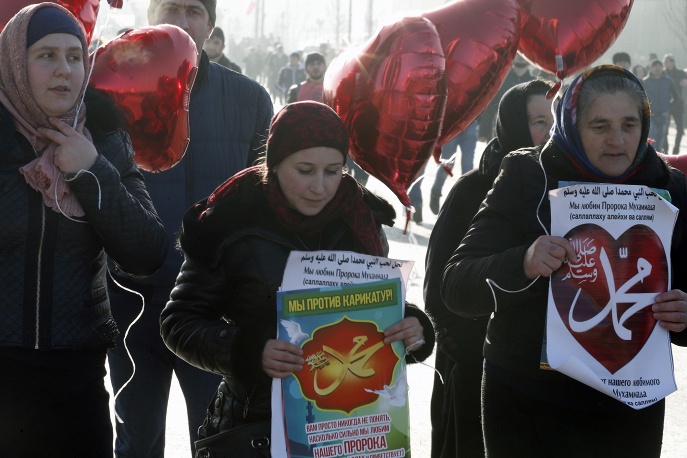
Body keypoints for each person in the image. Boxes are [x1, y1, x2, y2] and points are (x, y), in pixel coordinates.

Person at [159, 101, 435, 452]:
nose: (320, 187)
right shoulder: (231, 220)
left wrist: (410, 328)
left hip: (347, 429)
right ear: (274, 165)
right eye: (305, 170)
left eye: (333, 171)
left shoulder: (360, 220)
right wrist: (250, 351)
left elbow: (374, 307)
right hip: (255, 424)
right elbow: (179, 322)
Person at [441, 65, 687, 457]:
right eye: (600, 126)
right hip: (527, 401)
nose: (617, 140)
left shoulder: (668, 187)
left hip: (628, 406)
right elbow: (456, 285)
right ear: (572, 124)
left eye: (629, 124)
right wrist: (523, 261)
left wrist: (684, 313)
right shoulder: (528, 174)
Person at [107, 0, 274, 456]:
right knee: (137, 437)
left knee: (217, 436)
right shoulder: (112, 93)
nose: (181, 22)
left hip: (213, 310)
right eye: (170, 7)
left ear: (211, 23)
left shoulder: (250, 100)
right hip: (131, 302)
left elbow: (266, 208)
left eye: (194, 10)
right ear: (149, 17)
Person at [0, 3, 167, 456]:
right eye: (46, 56)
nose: (63, 71)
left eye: (74, 57)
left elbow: (147, 251)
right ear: (15, 61)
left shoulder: (106, 139)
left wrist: (90, 169)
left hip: (77, 379)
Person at [425, 79, 554, 458]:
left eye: (554, 122)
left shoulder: (563, 189)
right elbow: (437, 287)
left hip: (537, 371)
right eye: (537, 122)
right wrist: (469, 353)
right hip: (473, 364)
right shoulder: (473, 189)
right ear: (514, 123)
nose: (548, 133)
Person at [477, 53, 535, 141]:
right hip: (499, 133)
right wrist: (484, 132)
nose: (520, 58)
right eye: (518, 54)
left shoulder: (534, 83)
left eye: (523, 55)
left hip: (525, 134)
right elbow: (490, 105)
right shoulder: (500, 80)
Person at [428, 121, 478, 215]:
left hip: (471, 122)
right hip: (454, 122)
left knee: (468, 166)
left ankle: (465, 202)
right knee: (448, 164)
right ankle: (436, 192)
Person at [643, 59, 680, 153]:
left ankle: (661, 161)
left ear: (662, 67)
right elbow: (640, 98)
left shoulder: (668, 80)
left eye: (659, 66)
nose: (657, 68)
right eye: (655, 66)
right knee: (652, 139)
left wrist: (669, 108)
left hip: (664, 115)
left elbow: (676, 97)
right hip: (651, 115)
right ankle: (652, 159)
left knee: (662, 139)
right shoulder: (645, 81)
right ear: (650, 68)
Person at [663, 53, 687, 154]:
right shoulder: (663, 73)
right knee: (665, 128)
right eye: (664, 62)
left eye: (667, 61)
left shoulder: (681, 73)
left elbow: (684, 83)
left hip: (678, 103)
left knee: (680, 129)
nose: (666, 63)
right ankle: (666, 147)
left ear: (673, 62)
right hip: (666, 104)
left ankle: (676, 148)